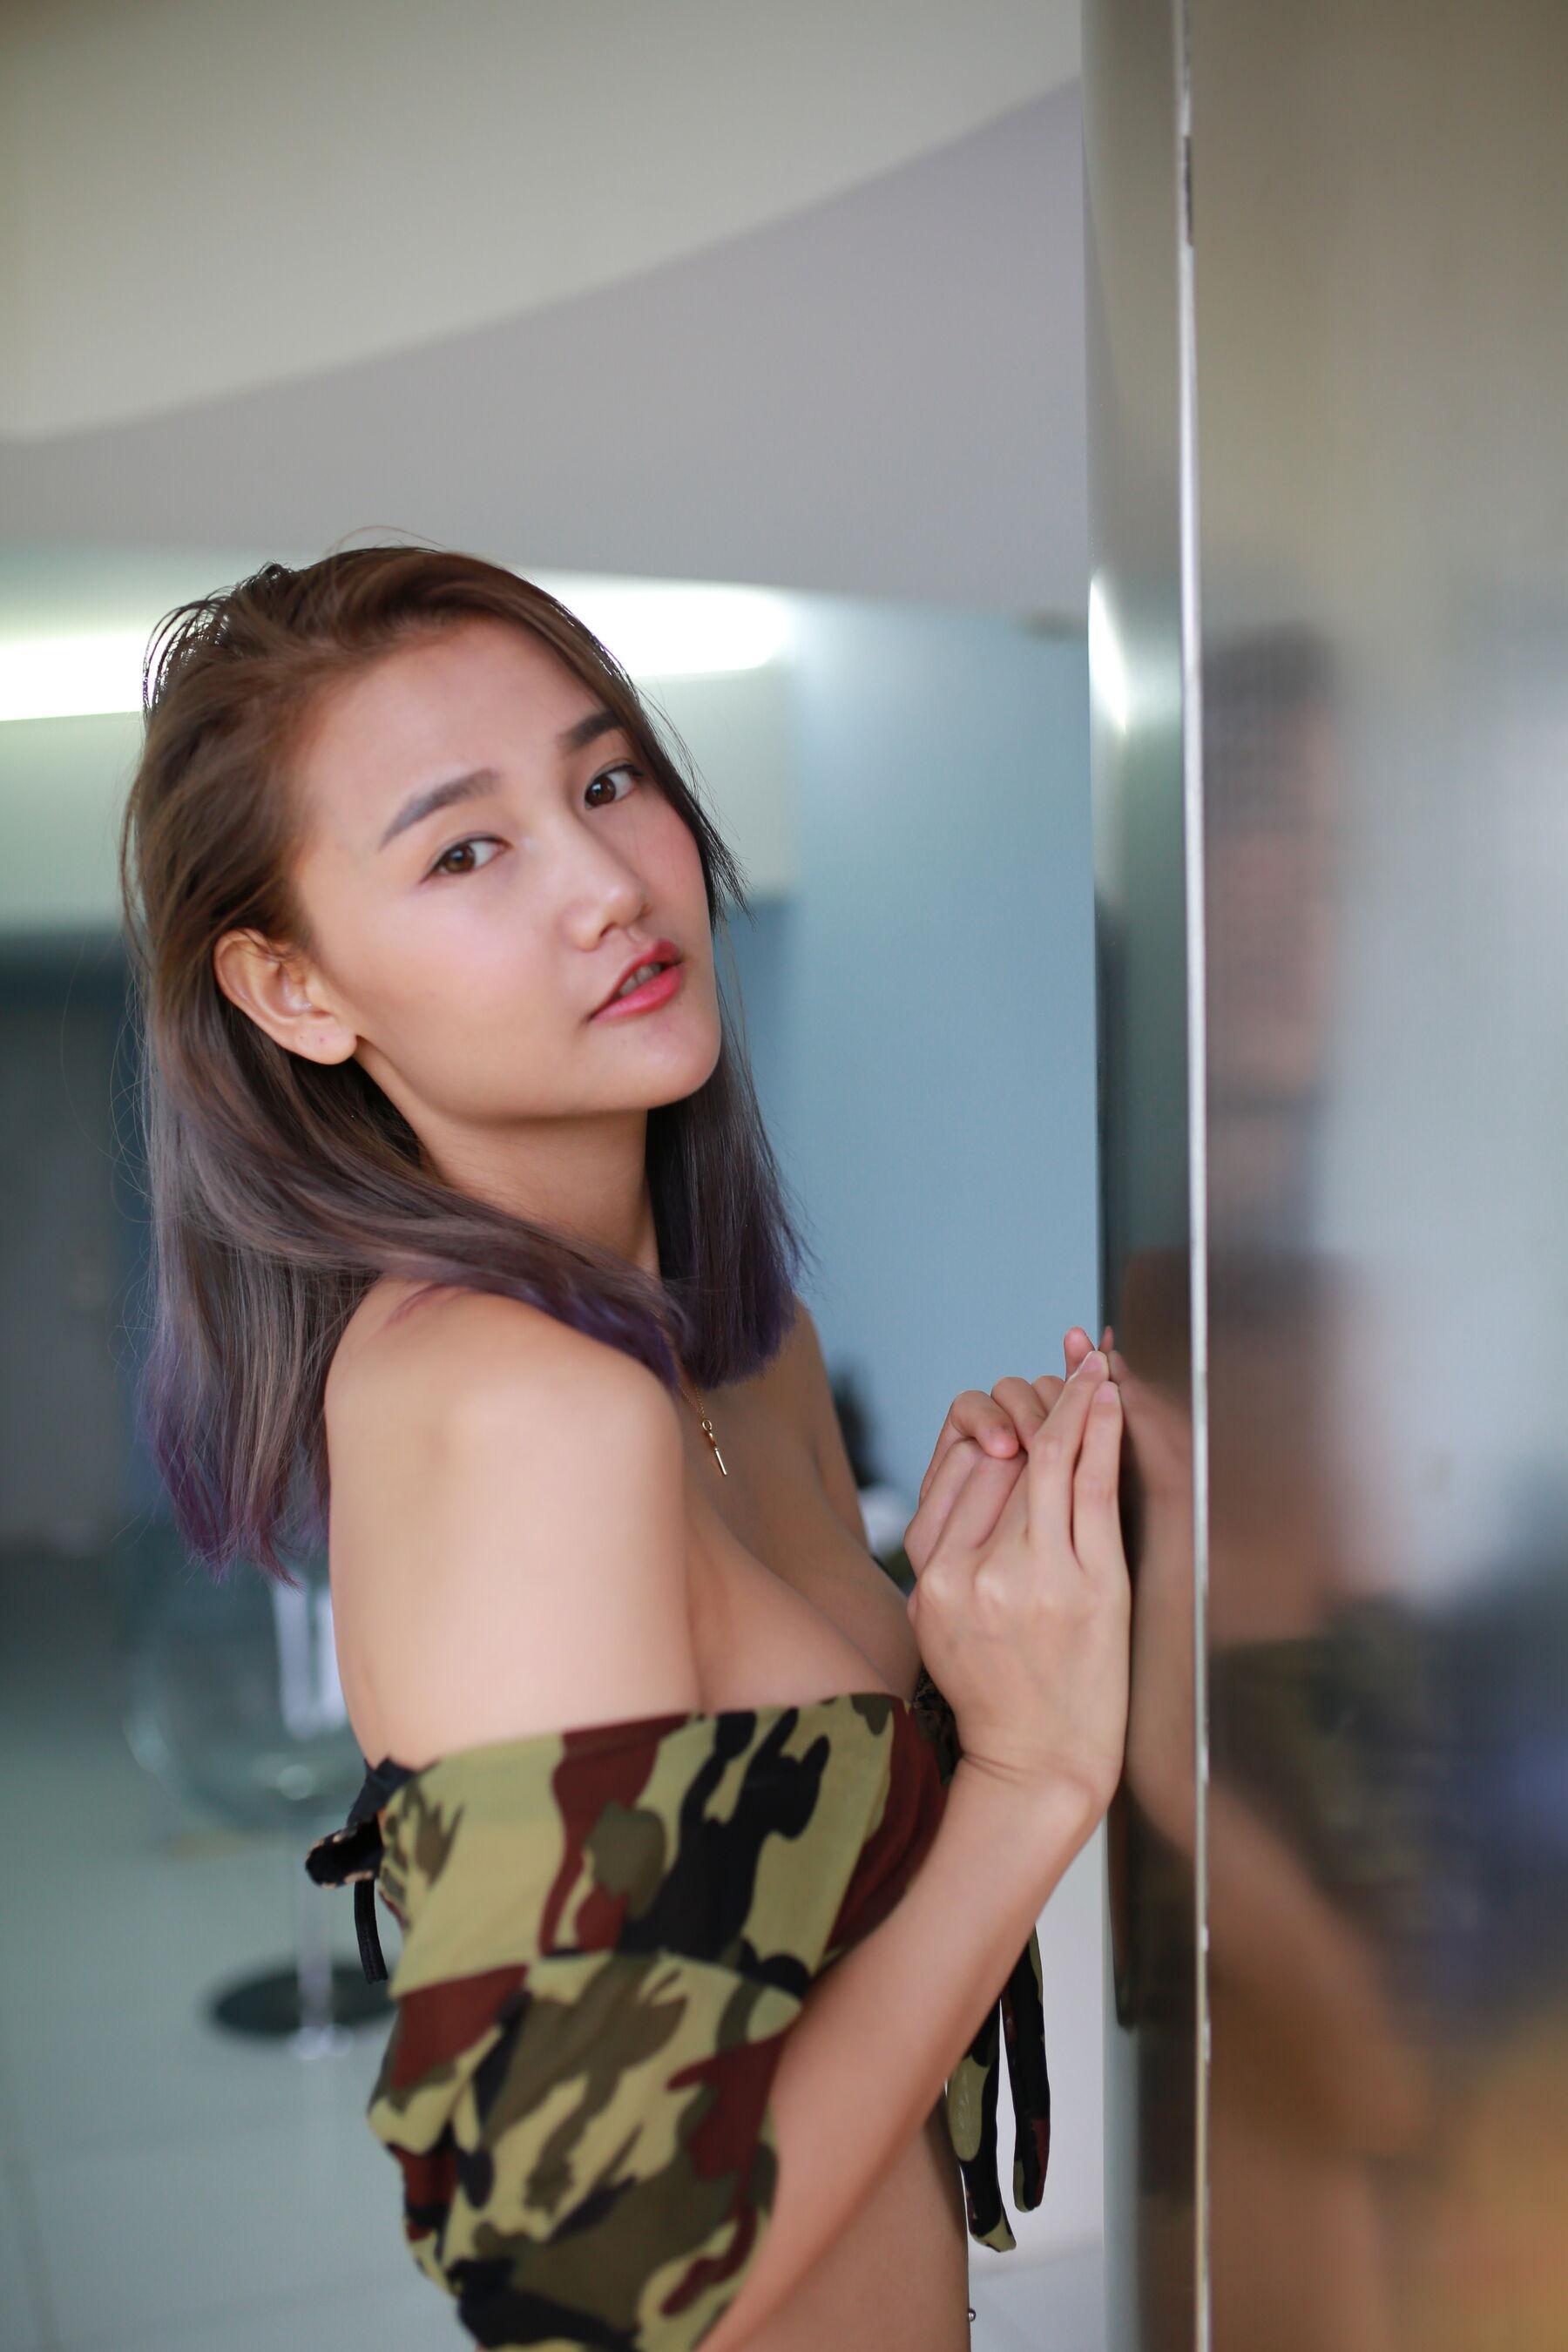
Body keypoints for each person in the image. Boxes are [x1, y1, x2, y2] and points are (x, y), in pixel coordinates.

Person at [118, 542, 1131, 2352]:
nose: (607, 883)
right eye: (464, 850)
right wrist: (1026, 1779)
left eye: (606, 782)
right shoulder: (521, 1408)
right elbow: (596, 2278)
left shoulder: (747, 1359)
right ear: (292, 991)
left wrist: (984, 1615)